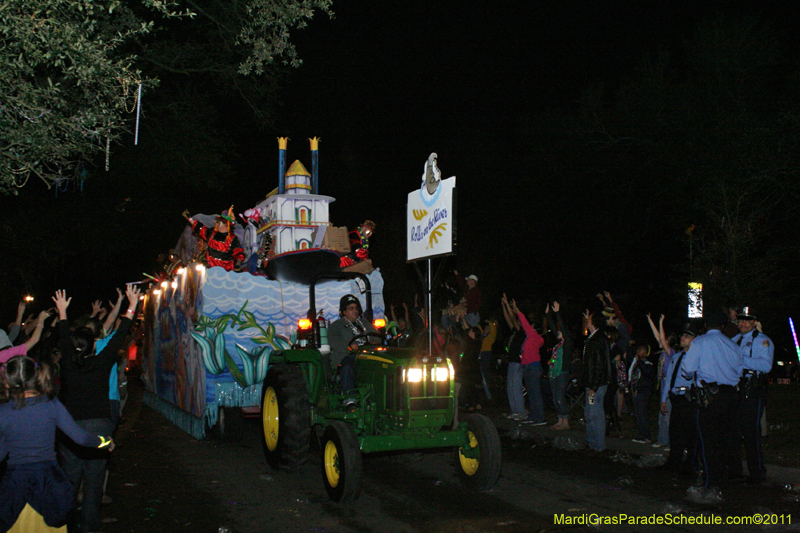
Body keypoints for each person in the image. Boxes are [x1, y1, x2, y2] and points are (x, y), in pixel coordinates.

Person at [54, 285, 140, 533]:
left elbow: (63, 334)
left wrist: (62, 311)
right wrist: (131, 304)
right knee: (93, 482)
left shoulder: (68, 365)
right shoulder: (102, 362)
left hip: (70, 429)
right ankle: (89, 527)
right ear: (94, 346)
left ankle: (66, 527)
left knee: (69, 481)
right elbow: (121, 331)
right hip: (100, 428)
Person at [0, 355, 114, 532]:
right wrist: (104, 441)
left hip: (17, 484)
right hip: (48, 482)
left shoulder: (4, 411)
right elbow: (81, 438)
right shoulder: (51, 405)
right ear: (35, 375)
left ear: (7, 382)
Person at [681, 308, 743, 489]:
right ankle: (729, 476)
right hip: (730, 395)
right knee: (727, 438)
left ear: (706, 325)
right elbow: (739, 371)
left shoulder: (700, 342)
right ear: (723, 326)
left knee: (708, 441)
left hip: (710, 396)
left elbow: (687, 370)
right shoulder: (733, 345)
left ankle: (711, 483)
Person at [731, 306, 774, 483]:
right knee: (733, 431)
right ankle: (735, 470)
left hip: (752, 388)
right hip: (735, 387)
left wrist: (740, 360)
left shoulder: (762, 340)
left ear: (754, 322)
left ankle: (757, 473)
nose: (743, 323)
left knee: (750, 431)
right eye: (741, 320)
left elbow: (766, 366)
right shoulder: (734, 340)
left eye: (748, 320)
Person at [659, 322, 698, 473]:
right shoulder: (677, 357)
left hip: (688, 398)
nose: (683, 338)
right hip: (676, 398)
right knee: (675, 432)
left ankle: (690, 464)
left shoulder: (696, 357)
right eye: (683, 335)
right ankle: (674, 462)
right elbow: (669, 379)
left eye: (687, 336)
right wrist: (664, 399)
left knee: (689, 433)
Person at [327, 294, 377, 409]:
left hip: (367, 355)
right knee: (347, 366)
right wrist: (349, 346)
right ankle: (350, 399)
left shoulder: (365, 323)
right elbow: (334, 342)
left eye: (356, 308)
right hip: (347, 356)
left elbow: (376, 335)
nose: (355, 311)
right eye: (351, 308)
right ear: (344, 312)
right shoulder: (336, 326)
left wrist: (375, 342)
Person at [509, 299, 546, 425]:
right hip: (529, 366)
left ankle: (539, 417)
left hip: (532, 367)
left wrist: (517, 309)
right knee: (531, 393)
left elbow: (524, 322)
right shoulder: (535, 339)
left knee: (534, 393)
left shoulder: (533, 336)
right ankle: (534, 416)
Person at [581, 309, 613, 454]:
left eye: (589, 319)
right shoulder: (596, 338)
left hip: (596, 385)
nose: (587, 320)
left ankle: (597, 445)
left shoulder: (597, 340)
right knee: (590, 413)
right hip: (595, 384)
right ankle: (592, 442)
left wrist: (593, 386)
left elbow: (599, 365)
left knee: (595, 413)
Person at [182, 207, 245, 271]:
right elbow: (200, 228)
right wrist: (190, 219)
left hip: (226, 272)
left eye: (219, 223)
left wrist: (238, 264)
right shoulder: (211, 234)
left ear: (227, 225)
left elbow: (238, 253)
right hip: (210, 270)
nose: (216, 224)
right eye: (217, 222)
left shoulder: (233, 239)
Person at [647, 313, 677, 448]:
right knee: (662, 415)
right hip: (663, 384)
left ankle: (670, 442)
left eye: (664, 341)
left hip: (670, 386)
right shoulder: (664, 352)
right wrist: (650, 320)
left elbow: (662, 339)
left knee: (668, 416)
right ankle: (662, 440)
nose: (660, 341)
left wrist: (661, 322)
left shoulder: (671, 353)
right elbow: (658, 336)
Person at [546, 301, 573, 430]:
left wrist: (557, 313)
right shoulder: (557, 345)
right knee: (554, 398)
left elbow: (561, 326)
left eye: (560, 331)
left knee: (559, 398)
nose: (558, 331)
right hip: (553, 373)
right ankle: (559, 419)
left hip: (562, 373)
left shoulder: (567, 344)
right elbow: (553, 327)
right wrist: (547, 315)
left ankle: (565, 420)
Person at [501, 294, 526, 421]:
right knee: (510, 387)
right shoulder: (515, 332)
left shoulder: (522, 332)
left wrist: (507, 304)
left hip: (517, 362)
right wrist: (504, 305)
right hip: (511, 362)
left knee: (516, 387)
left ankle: (521, 412)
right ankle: (514, 411)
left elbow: (513, 318)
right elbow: (508, 319)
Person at [629, 344, 655, 443]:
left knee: (643, 414)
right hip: (635, 391)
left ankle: (646, 436)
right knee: (638, 414)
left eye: (640, 350)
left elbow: (645, 372)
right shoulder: (636, 362)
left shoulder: (648, 364)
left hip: (643, 392)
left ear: (645, 353)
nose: (638, 352)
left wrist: (639, 360)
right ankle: (641, 434)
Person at [478, 318, 498, 403]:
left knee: (485, 368)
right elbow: (479, 329)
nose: (486, 330)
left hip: (486, 353)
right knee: (482, 368)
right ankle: (483, 383)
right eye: (485, 328)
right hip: (481, 353)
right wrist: (477, 323)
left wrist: (489, 322)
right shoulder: (483, 336)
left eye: (487, 329)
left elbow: (494, 330)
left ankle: (487, 383)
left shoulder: (491, 336)